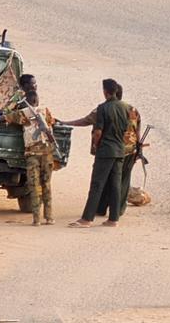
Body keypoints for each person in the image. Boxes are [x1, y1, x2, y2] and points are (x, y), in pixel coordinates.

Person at [61, 84, 141, 217]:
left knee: (101, 181)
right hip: (129, 150)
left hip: (108, 151)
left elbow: (86, 121)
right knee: (122, 181)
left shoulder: (104, 108)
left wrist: (64, 123)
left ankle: (99, 209)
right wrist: (138, 149)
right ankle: (117, 212)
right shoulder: (132, 109)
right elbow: (137, 130)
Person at [69, 79, 128, 228]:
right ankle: (113, 219)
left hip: (106, 150)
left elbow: (98, 132)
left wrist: (96, 144)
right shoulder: (126, 107)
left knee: (97, 184)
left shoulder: (103, 108)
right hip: (120, 150)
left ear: (105, 91)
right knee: (115, 185)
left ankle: (87, 219)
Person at [0, 90, 55, 226]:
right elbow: (52, 122)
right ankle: (49, 217)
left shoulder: (23, 114)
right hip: (47, 154)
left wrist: (14, 103)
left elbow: (3, 116)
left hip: (33, 156)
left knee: (34, 186)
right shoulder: (46, 111)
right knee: (46, 185)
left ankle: (36, 219)